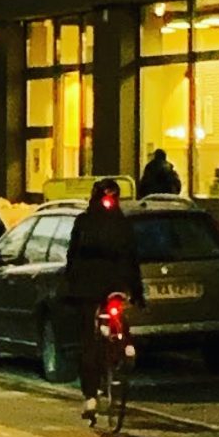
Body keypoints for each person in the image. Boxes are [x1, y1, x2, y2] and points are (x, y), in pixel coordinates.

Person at [62, 176, 145, 421]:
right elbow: (132, 258)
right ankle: (126, 344)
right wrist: (137, 292)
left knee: (89, 341)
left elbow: (72, 257)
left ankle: (90, 397)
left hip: (87, 288)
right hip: (117, 283)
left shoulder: (84, 221)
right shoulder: (122, 223)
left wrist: (69, 287)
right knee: (118, 313)